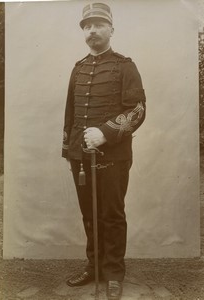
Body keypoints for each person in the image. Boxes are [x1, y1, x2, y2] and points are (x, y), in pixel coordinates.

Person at [62, 3, 146, 300]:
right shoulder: (79, 68)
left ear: (111, 29)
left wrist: (105, 133)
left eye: (98, 24)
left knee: (111, 214)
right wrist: (70, 149)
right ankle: (94, 266)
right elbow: (70, 113)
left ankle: (113, 273)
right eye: (86, 26)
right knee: (89, 214)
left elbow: (137, 110)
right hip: (80, 156)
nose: (92, 30)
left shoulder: (125, 66)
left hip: (113, 155)